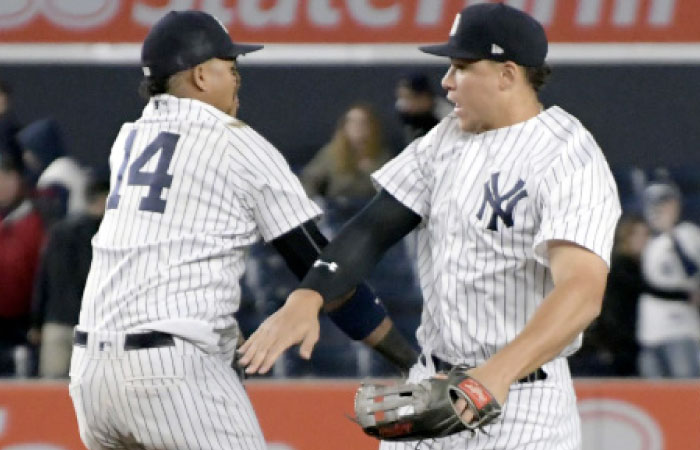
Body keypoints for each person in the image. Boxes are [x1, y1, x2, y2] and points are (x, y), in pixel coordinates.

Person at [239, 3, 621, 449]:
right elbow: (372, 228)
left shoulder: (568, 156)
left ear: (507, 73)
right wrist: (308, 295)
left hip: (522, 397)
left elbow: (581, 294)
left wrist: (492, 377)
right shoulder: (445, 140)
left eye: (461, 67)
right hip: (431, 384)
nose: (446, 81)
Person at [69, 10, 415, 450]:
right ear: (199, 76)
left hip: (90, 375)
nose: (237, 81)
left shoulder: (129, 138)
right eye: (229, 69)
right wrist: (410, 361)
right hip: (170, 374)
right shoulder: (234, 141)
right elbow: (326, 272)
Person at [28, 173, 110, 378]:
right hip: (91, 326)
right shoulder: (105, 234)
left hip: (56, 323)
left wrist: (37, 322)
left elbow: (42, 280)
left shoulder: (58, 230)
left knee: (50, 396)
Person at [637, 180, 700, 378]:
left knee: (684, 386)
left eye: (665, 203)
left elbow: (691, 270)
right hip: (649, 328)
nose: (658, 209)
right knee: (653, 390)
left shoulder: (687, 233)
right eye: (654, 204)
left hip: (680, 327)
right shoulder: (646, 239)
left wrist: (671, 233)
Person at [0, 145, 45, 376]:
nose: (3, 185)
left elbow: (42, 272)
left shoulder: (35, 218)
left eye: (8, 177)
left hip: (23, 321)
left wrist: (38, 320)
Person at [301, 103, 390, 202]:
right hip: (338, 208)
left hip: (370, 210)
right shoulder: (331, 153)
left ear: (372, 127)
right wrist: (316, 203)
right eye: (352, 122)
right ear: (344, 127)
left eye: (362, 123)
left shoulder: (383, 156)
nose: (357, 127)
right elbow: (309, 181)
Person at [17, 118, 88, 225]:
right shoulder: (67, 164)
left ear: (42, 147)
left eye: (29, 150)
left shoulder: (53, 176)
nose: (26, 157)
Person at [394, 72, 451, 146]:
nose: (404, 103)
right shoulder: (402, 109)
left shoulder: (446, 114)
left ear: (424, 97)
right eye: (401, 97)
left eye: (409, 97)